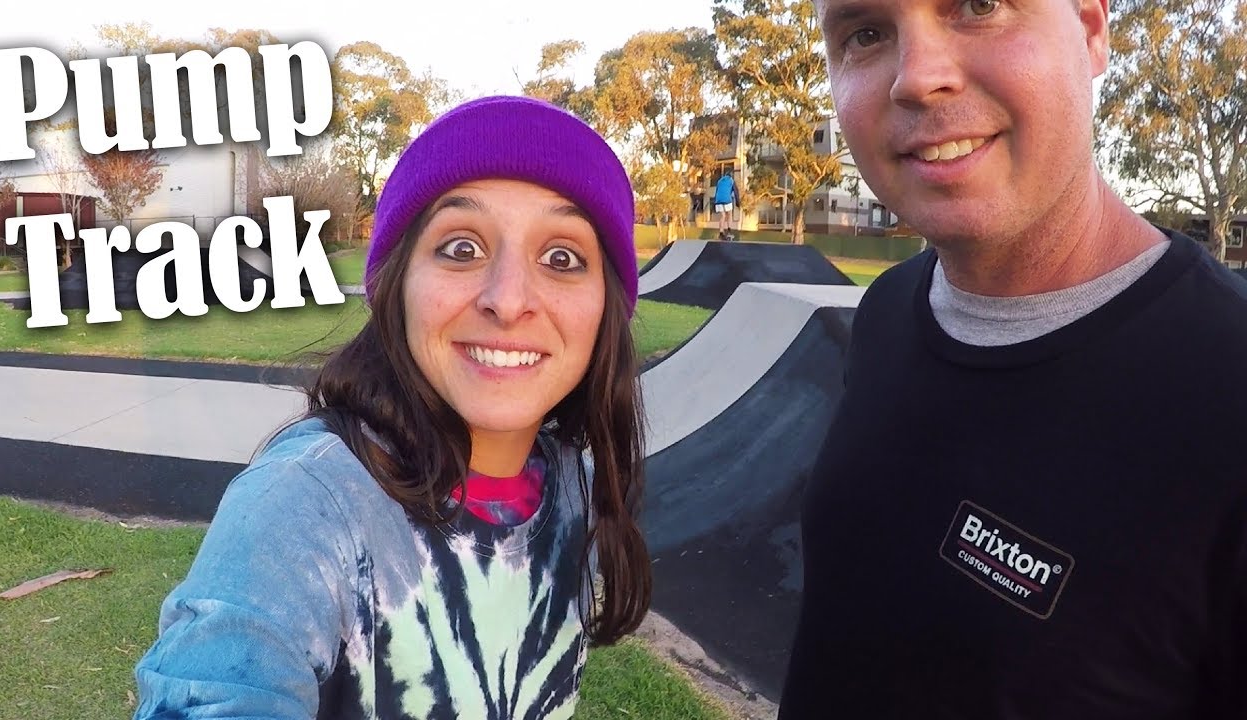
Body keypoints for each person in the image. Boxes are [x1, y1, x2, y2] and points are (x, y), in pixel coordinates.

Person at [779, 0, 1247, 717]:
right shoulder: (885, 314)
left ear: (1091, 31)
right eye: (866, 33)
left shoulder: (1227, 387)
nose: (917, 77)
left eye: (979, 5)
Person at [131, 95, 652, 720]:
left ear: (606, 308)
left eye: (561, 257)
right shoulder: (307, 503)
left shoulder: (572, 487)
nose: (509, 300)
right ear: (397, 285)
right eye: (462, 248)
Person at [713, 169, 739, 241]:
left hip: (718, 200)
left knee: (723, 216)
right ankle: (729, 231)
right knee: (730, 214)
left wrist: (714, 203)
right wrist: (738, 202)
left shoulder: (719, 181)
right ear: (731, 175)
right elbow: (736, 192)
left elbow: (716, 191)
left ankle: (721, 232)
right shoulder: (731, 180)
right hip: (727, 199)